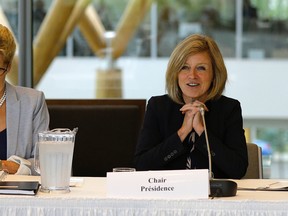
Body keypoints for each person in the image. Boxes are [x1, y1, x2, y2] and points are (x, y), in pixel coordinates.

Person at [135, 34, 248, 179]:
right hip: (167, 196)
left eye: (201, 68)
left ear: (214, 74)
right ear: (175, 73)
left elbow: (238, 170)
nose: (192, 75)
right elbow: (141, 165)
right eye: (184, 68)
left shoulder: (229, 109)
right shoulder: (158, 107)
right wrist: (183, 132)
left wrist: (201, 131)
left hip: (214, 198)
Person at [0, 24, 49, 175]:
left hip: (19, 196)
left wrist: (14, 168)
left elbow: (46, 163)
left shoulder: (33, 102)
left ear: (8, 67)